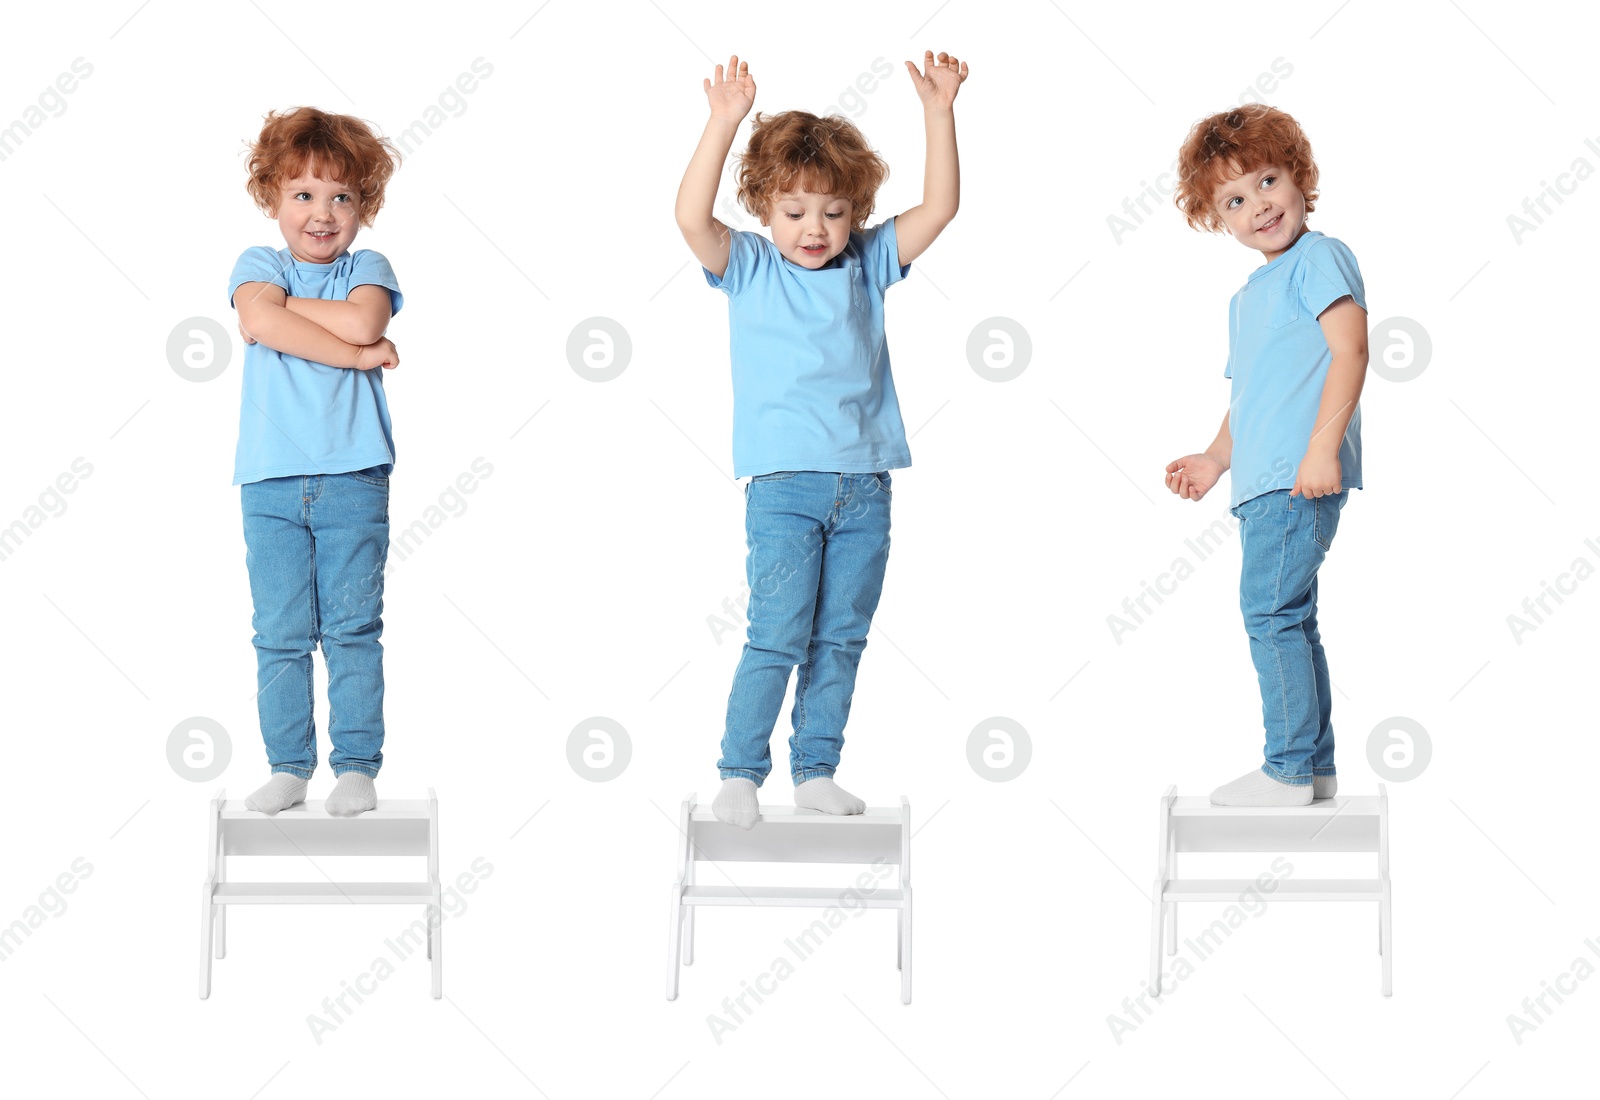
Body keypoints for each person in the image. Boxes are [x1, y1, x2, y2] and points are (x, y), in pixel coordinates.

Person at [675, 52, 969, 827]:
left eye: (834, 212)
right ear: (767, 209)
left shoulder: (868, 262)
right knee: (776, 632)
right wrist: (723, 121)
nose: (816, 229)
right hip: (784, 487)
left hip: (865, 486)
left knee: (840, 637)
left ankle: (815, 770)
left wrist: (939, 113)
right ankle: (740, 770)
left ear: (858, 216)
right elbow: (690, 219)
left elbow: (939, 208)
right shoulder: (745, 265)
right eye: (797, 210)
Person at [1164, 105, 1369, 807]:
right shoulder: (1249, 296)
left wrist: (1321, 449)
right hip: (1262, 486)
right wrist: (1215, 459)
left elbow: (1352, 351)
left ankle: (1285, 770)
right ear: (1217, 219)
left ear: (1300, 179)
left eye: (1269, 180)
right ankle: (1314, 768)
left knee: (1269, 614)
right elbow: (1250, 396)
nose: (1259, 205)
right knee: (1292, 616)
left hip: (1297, 480)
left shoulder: (1320, 258)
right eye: (1235, 199)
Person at [229, 106, 404, 817]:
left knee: (353, 629)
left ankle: (356, 764)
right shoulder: (256, 266)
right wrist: (359, 358)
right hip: (269, 479)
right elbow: (258, 319)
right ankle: (289, 765)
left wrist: (325, 327)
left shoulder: (369, 268)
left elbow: (363, 317)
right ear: (273, 198)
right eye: (303, 194)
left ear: (365, 206)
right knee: (279, 631)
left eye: (341, 197)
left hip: (352, 476)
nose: (322, 213)